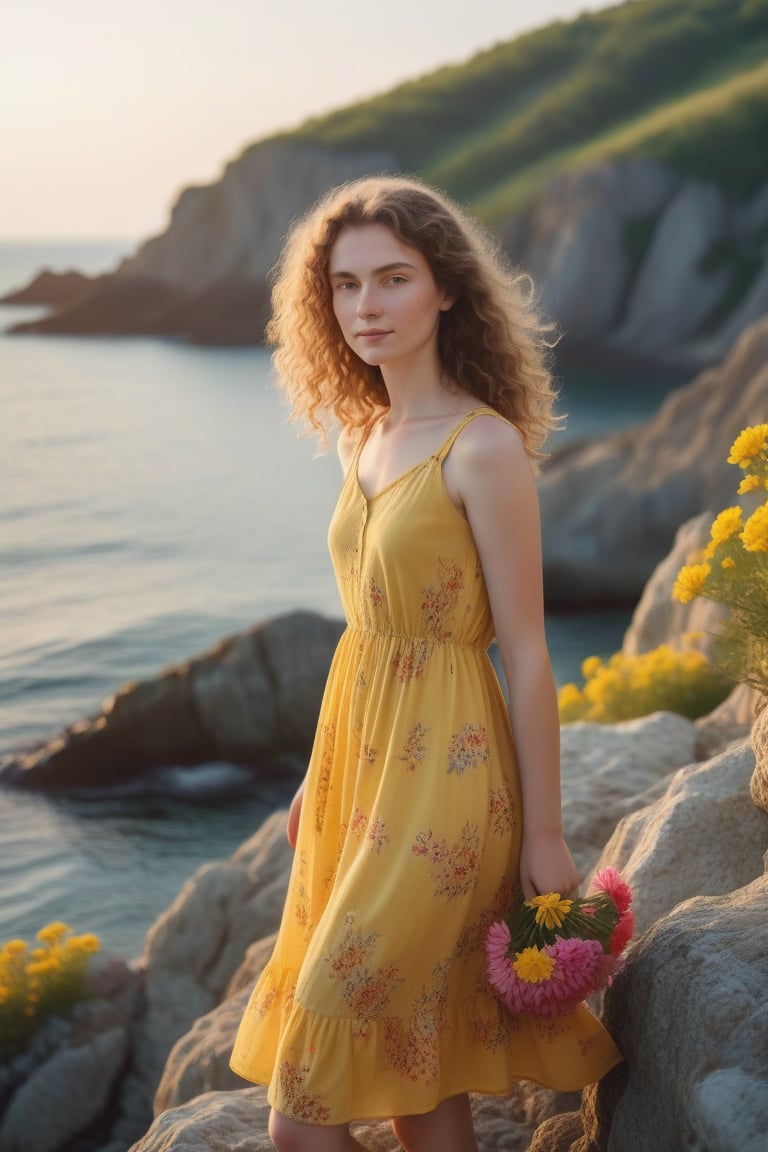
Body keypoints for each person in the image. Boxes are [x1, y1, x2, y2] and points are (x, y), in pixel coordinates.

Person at [229, 175, 622, 1152]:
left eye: (393, 280)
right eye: (347, 285)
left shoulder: (482, 448)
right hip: (362, 774)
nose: (366, 307)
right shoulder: (361, 435)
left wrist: (545, 837)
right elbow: (366, 633)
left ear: (446, 288)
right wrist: (319, 781)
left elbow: (526, 651)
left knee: (300, 1116)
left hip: (450, 784)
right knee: (420, 1073)